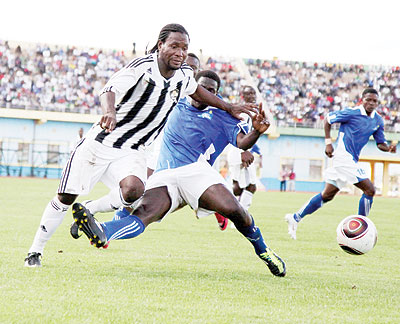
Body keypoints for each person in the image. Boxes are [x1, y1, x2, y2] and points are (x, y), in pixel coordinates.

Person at [24, 24, 257, 267]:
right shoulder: (142, 67)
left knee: (135, 189)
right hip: (101, 143)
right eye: (174, 46)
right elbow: (109, 89)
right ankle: (35, 251)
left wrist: (228, 107)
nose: (180, 52)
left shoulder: (183, 76)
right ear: (160, 45)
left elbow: (198, 92)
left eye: (184, 48)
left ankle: (92, 211)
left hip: (132, 150)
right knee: (65, 197)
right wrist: (110, 112)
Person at [72, 70, 286, 277]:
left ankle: (264, 251)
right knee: (144, 213)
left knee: (236, 211)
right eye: (201, 87)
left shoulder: (223, 113)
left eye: (211, 90)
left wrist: (256, 132)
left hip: (197, 171)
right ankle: (102, 231)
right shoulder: (175, 99)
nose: (205, 93)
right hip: (165, 174)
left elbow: (241, 142)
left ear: (216, 93)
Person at [285, 88, 397, 240]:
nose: (371, 103)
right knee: (369, 190)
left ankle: (295, 217)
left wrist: (389, 148)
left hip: (350, 160)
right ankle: (361, 229)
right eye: (368, 100)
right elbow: (327, 119)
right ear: (362, 100)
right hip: (343, 158)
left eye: (374, 101)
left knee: (327, 195)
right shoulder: (352, 113)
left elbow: (380, 143)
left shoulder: (378, 120)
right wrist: (328, 143)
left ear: (378, 103)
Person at [216, 86, 262, 230]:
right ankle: (233, 214)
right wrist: (242, 150)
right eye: (248, 93)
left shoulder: (254, 111)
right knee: (247, 186)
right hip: (239, 150)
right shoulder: (241, 111)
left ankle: (236, 215)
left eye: (253, 92)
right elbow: (237, 132)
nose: (251, 95)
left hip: (245, 150)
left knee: (240, 185)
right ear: (243, 96)